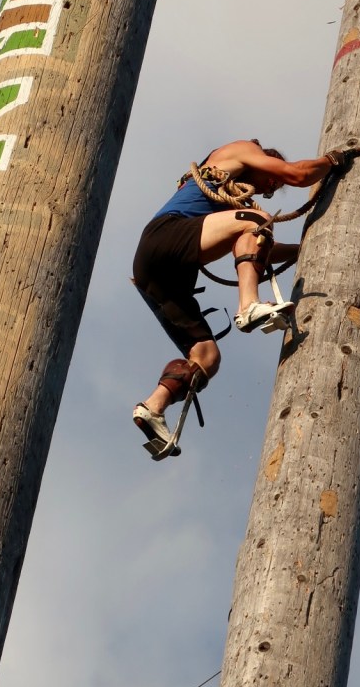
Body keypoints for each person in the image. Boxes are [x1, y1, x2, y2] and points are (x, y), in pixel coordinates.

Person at [131, 138, 342, 455]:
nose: (269, 189)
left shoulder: (228, 202)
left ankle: (153, 407)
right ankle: (248, 306)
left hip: (158, 274)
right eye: (270, 179)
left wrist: (304, 251)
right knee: (257, 219)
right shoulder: (240, 150)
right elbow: (298, 175)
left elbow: (258, 248)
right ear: (263, 158)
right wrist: (333, 160)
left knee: (206, 357)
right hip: (164, 236)